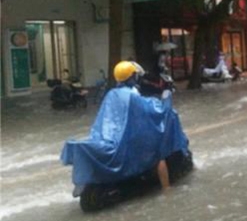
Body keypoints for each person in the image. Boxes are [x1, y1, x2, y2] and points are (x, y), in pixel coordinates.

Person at [61, 61, 189, 191]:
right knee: (159, 153)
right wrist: (166, 95)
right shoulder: (132, 96)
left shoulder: (111, 94)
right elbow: (158, 111)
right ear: (132, 77)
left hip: (113, 137)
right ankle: (167, 189)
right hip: (130, 140)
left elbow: (106, 121)